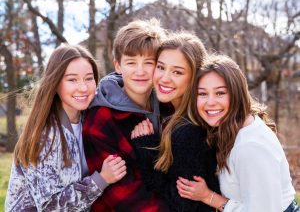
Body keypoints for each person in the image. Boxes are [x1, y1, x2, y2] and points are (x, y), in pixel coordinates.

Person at [5, 44, 126, 212]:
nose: (83, 87)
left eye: (89, 78)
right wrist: (101, 179)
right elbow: (49, 207)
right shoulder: (44, 135)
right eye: (72, 79)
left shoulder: (90, 119)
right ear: (55, 83)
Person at [177, 54, 299, 212]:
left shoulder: (250, 147)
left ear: (237, 94)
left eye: (220, 93)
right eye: (202, 94)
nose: (210, 102)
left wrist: (208, 197)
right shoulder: (235, 126)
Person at [82, 19, 169, 211]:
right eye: (131, 62)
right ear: (118, 66)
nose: (140, 71)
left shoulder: (167, 106)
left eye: (149, 62)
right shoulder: (101, 119)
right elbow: (127, 198)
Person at [130, 32, 220, 212]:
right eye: (161, 67)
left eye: (177, 72)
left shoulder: (189, 132)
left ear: (194, 77)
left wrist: (147, 153)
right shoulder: (172, 112)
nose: (164, 78)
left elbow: (182, 205)